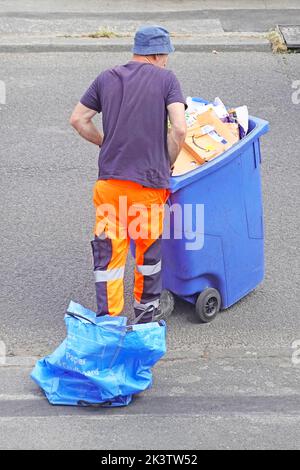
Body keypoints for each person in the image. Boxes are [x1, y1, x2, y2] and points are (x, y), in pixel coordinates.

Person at [70, 25, 187, 323]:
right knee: (147, 257)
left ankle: (108, 324)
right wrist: (167, 162)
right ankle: (145, 321)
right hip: (147, 187)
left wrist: (104, 142)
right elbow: (180, 129)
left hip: (110, 184)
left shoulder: (106, 77)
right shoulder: (166, 79)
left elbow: (78, 119)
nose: (166, 62)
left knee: (109, 257)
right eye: (166, 57)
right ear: (159, 54)